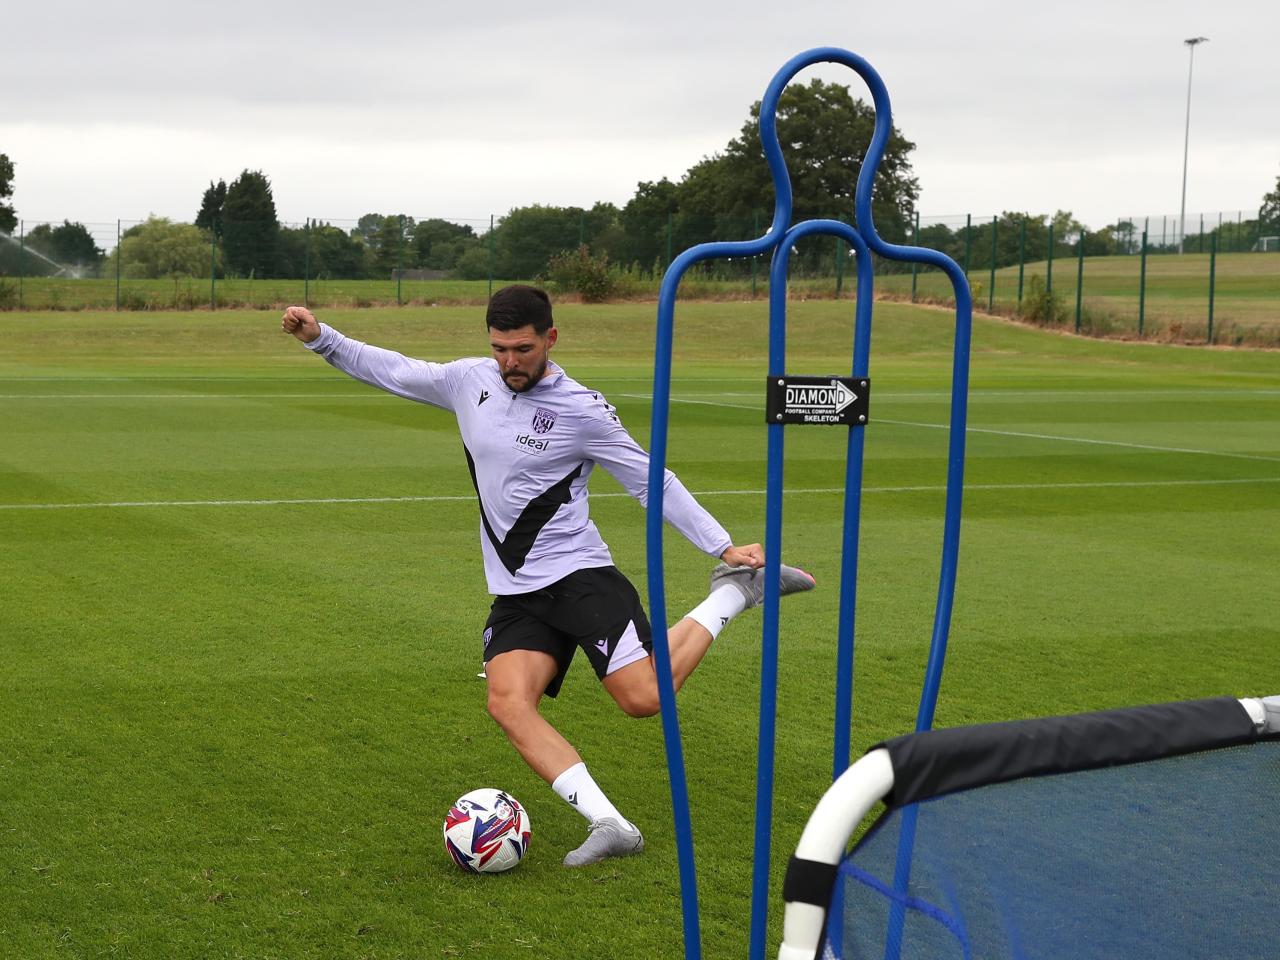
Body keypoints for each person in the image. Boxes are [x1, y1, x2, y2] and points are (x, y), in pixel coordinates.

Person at [281, 285, 815, 866]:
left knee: (644, 699)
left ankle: (733, 593)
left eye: (523, 348)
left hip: (579, 575)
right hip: (516, 591)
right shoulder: (470, 381)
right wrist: (322, 339)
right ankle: (611, 825)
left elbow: (650, 479)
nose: (510, 361)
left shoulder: (583, 409)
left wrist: (722, 545)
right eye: (500, 348)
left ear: (551, 339)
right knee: (508, 703)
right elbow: (396, 371)